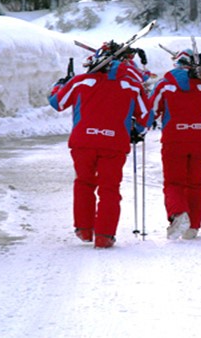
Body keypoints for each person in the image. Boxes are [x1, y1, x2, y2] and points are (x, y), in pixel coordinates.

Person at [48, 43, 151, 249]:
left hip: (83, 142)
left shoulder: (80, 82)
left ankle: (84, 230)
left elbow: (57, 103)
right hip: (114, 143)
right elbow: (145, 118)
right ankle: (105, 235)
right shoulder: (131, 85)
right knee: (109, 188)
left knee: (84, 183)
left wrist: (60, 85)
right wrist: (136, 131)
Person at [148, 48, 201, 240]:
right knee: (195, 183)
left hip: (174, 138)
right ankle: (193, 227)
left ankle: (178, 213)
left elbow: (152, 110)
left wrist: (140, 127)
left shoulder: (165, 85)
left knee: (174, 182)